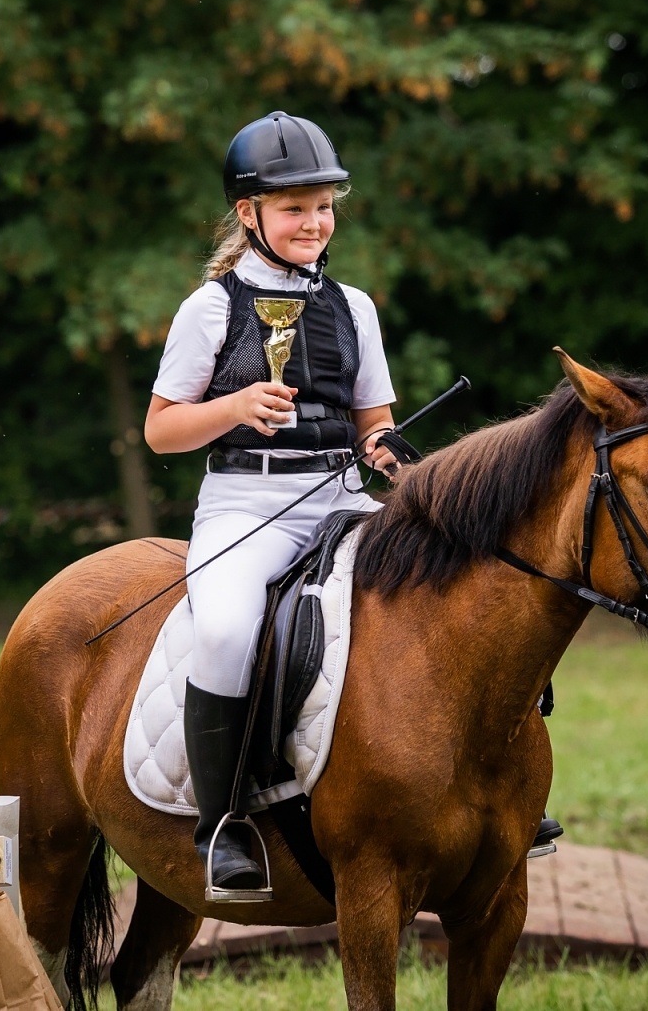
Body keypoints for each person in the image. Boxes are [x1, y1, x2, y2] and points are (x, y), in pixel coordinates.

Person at [144, 111, 402, 893]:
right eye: (294, 209)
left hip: (342, 496)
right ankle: (221, 821)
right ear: (250, 215)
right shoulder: (212, 308)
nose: (314, 223)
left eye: (323, 207)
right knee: (223, 629)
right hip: (245, 504)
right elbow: (160, 430)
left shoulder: (355, 306)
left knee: (455, 584)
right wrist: (231, 408)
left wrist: (394, 456)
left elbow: (374, 422)